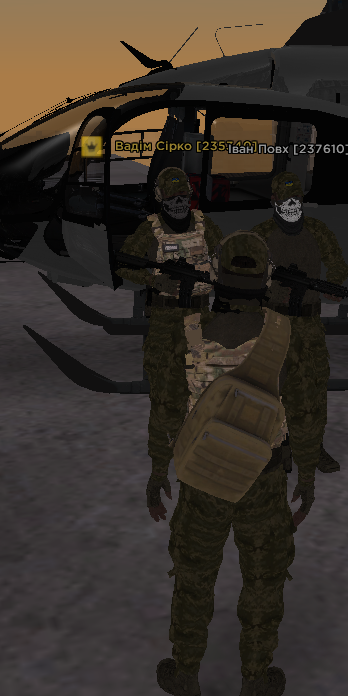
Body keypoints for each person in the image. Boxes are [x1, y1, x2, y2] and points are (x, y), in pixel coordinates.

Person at [146, 232, 318, 696]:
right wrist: (306, 476)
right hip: (264, 478)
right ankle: (254, 684)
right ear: (266, 277)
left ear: (217, 273)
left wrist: (158, 469)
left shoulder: (187, 328)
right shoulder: (285, 333)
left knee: (194, 578)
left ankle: (186, 676)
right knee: (263, 581)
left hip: (202, 478)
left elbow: (165, 407)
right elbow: (306, 411)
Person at [117, 166, 224, 472]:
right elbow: (124, 265)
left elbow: (224, 256)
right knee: (165, 396)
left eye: (182, 196)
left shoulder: (205, 225)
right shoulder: (149, 230)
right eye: (171, 197)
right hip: (165, 320)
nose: (178, 203)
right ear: (160, 198)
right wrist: (155, 281)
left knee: (204, 388)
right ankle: (161, 465)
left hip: (200, 317)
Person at [249, 170, 346, 473]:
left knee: (312, 388)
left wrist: (334, 284)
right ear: (274, 199)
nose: (292, 204)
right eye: (285, 199)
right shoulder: (261, 233)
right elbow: (240, 268)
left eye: (296, 198)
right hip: (273, 323)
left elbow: (337, 263)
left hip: (308, 324)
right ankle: (275, 450)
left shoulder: (316, 230)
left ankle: (311, 447)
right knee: (270, 387)